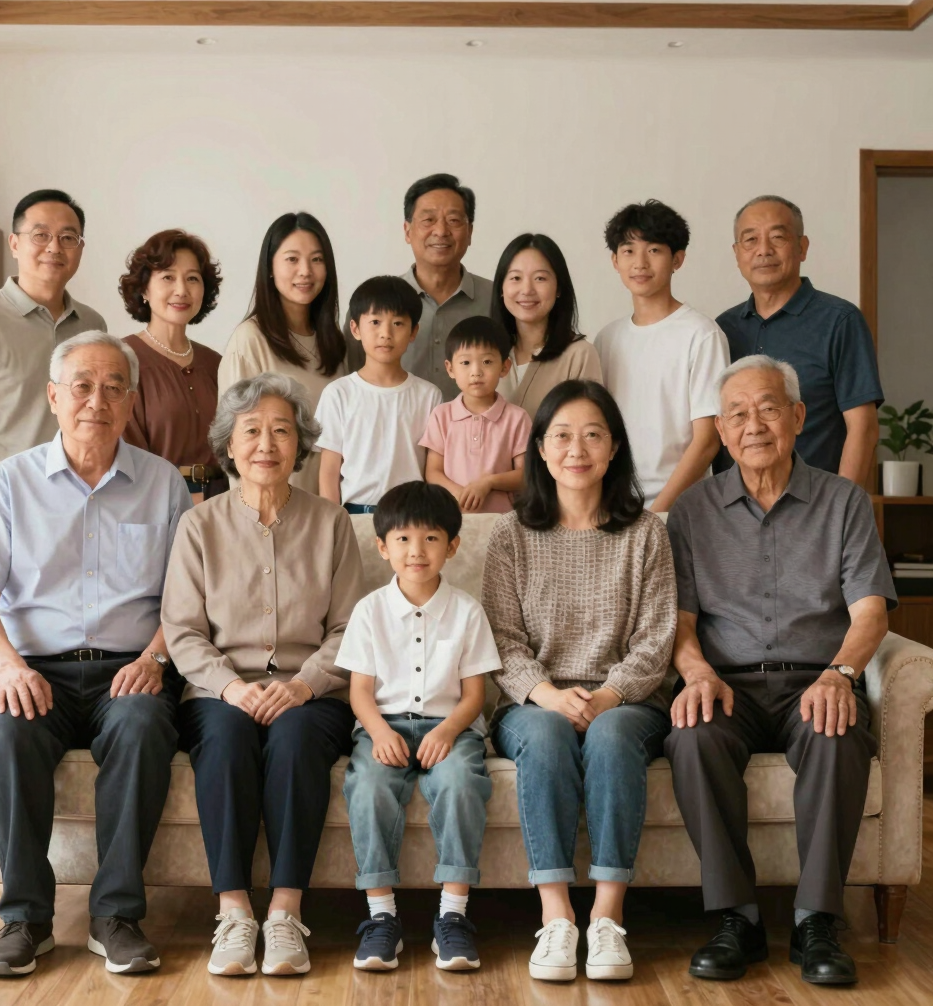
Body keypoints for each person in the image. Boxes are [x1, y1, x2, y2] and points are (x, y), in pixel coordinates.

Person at [0, 331, 193, 978]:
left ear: (132, 401)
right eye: (81, 385)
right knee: (6, 734)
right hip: (38, 671)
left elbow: (188, 601)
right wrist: (8, 669)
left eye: (114, 386)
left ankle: (116, 918)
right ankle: (24, 921)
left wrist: (156, 658)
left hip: (130, 668)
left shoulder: (164, 484)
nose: (97, 400)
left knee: (144, 728)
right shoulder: (7, 484)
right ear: (54, 396)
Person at [664, 355, 895, 987]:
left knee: (837, 734)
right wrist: (696, 673)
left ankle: (817, 920)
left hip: (813, 680)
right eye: (736, 413)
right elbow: (680, 626)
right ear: (722, 427)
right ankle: (735, 918)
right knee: (690, 737)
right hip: (728, 683)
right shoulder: (691, 511)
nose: (753, 424)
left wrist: (841, 675)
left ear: (796, 416)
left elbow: (871, 612)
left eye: (768, 408)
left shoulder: (844, 502)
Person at [161, 372, 365, 978]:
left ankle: (283, 912)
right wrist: (230, 686)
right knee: (223, 740)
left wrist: (304, 684)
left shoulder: (332, 523)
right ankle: (232, 912)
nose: (266, 444)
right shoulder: (198, 525)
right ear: (228, 446)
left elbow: (351, 628)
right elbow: (183, 631)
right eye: (251, 431)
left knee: (298, 740)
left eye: (281, 430)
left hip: (313, 689)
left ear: (300, 446)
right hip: (219, 689)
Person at [482, 380, 677, 984]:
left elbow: (656, 637)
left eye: (593, 435)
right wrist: (547, 694)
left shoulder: (646, 533)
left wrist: (608, 695)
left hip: (627, 700)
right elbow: (501, 642)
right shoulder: (511, 536)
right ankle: (558, 917)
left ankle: (608, 918)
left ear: (614, 447)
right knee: (543, 736)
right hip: (535, 699)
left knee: (614, 736)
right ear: (539, 449)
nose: (577, 449)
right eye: (561, 436)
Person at [340, 481, 501, 972]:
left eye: (431, 539)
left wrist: (448, 731)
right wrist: (381, 733)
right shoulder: (368, 611)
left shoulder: (468, 611)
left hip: (449, 727)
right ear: (382, 547)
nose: (417, 551)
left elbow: (476, 695)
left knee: (458, 785)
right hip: (382, 726)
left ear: (452, 546)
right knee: (367, 786)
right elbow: (360, 691)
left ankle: (453, 918)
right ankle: (381, 918)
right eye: (404, 539)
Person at [0, 189, 106, 518]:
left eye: (68, 237)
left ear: (80, 248)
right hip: (5, 499)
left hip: (81, 499)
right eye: (40, 235)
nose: (54, 247)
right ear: (15, 244)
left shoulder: (92, 324)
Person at [716, 195, 882, 485]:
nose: (763, 250)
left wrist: (840, 509)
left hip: (816, 506)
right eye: (750, 240)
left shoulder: (839, 321)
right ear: (736, 253)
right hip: (734, 513)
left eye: (777, 237)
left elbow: (863, 427)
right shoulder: (721, 329)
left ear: (802, 247)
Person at [595, 200, 729, 512]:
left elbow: (707, 440)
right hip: (614, 508)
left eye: (653, 250)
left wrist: (658, 514)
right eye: (628, 250)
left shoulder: (701, 334)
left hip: (681, 510)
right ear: (615, 260)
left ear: (677, 259)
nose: (639, 262)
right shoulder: (606, 339)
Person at [218, 212, 345, 494]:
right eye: (292, 259)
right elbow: (238, 442)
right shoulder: (250, 340)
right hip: (276, 509)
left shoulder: (335, 341)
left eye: (316, 259)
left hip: (332, 506)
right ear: (270, 267)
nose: (305, 271)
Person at [345, 173, 493, 400]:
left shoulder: (497, 300)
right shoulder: (373, 304)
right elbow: (352, 377)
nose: (441, 231)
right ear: (407, 230)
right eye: (428, 220)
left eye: (454, 220)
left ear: (470, 232)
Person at [317, 276, 442, 513]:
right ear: (355, 328)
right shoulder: (338, 393)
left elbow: (433, 467)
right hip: (355, 513)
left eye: (397, 323)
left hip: (413, 514)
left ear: (413, 331)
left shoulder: (429, 396)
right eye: (375, 322)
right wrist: (331, 522)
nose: (386, 333)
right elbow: (329, 470)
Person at [119, 229, 225, 501]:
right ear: (144, 288)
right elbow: (124, 453)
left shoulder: (216, 363)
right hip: (154, 502)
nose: (181, 290)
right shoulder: (122, 358)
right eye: (168, 277)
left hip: (220, 504)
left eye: (192, 278)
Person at [421, 316, 531, 513]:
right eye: (465, 362)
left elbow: (525, 476)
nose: (476, 372)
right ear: (450, 368)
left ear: (504, 367)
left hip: (502, 522)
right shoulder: (441, 415)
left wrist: (487, 483)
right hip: (451, 519)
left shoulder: (517, 418)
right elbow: (432, 472)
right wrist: (460, 493)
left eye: (487, 361)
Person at [490, 234, 602, 419]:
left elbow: (588, 428)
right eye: (516, 278)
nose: (527, 290)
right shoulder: (486, 352)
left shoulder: (579, 355)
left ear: (558, 288)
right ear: (501, 288)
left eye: (540, 278)